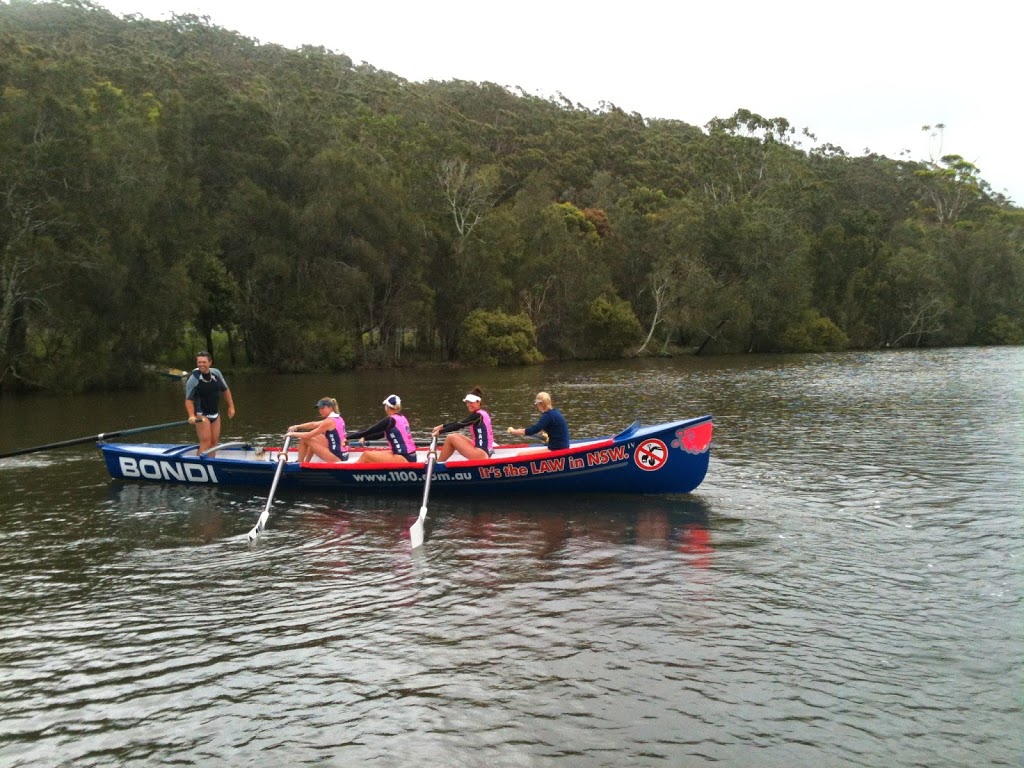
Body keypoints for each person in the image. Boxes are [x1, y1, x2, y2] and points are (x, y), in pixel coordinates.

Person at [184, 351, 235, 456]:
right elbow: (189, 400)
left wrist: (231, 406)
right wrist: (191, 415)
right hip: (201, 414)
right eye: (199, 362)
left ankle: (211, 464)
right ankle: (199, 467)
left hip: (215, 413)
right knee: (206, 442)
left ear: (210, 362)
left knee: (214, 442)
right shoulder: (193, 379)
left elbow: (225, 390)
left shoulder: (216, 373)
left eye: (204, 362)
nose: (201, 364)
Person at [347, 394, 418, 463]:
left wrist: (347, 438)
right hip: (412, 456)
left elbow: (367, 431)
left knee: (366, 455)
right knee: (375, 453)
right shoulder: (402, 418)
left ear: (387, 407)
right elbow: (380, 435)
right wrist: (365, 438)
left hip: (403, 457)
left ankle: (348, 473)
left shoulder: (390, 420)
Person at [431, 386, 494, 463]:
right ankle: (439, 462)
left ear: (478, 402)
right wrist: (442, 426)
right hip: (486, 451)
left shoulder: (477, 415)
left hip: (481, 454)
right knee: (455, 435)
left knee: (451, 437)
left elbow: (460, 425)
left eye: (471, 402)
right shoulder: (482, 413)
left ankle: (437, 465)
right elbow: (461, 422)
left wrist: (440, 432)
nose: (468, 405)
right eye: (467, 402)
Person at [287, 397, 349, 463]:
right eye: (319, 409)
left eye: (323, 408)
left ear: (330, 407)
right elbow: (313, 424)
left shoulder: (329, 421)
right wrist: (296, 427)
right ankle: (306, 462)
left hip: (337, 457)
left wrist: (291, 434)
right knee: (316, 436)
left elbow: (308, 435)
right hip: (344, 455)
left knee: (305, 438)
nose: (320, 411)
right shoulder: (338, 417)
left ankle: (299, 464)